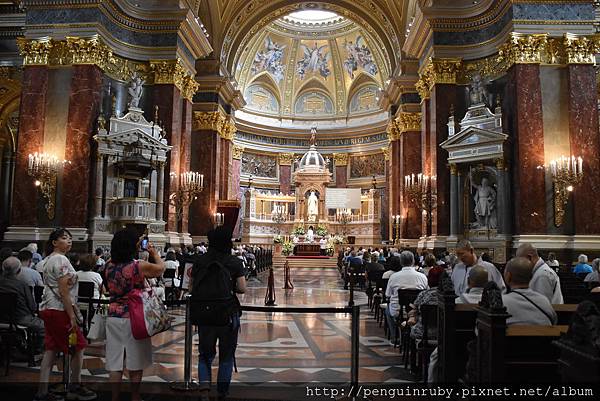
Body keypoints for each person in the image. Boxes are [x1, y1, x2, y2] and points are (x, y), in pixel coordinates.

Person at [35, 228, 96, 401]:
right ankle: (75, 385)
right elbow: (63, 290)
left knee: (51, 349)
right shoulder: (60, 259)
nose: (69, 241)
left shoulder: (48, 259)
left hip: (48, 307)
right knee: (79, 346)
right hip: (59, 309)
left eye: (70, 238)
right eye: (64, 238)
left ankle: (42, 392)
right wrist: (72, 316)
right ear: (55, 242)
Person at [104, 229, 165, 401]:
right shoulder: (138, 266)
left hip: (113, 315)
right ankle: (135, 396)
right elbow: (160, 269)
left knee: (114, 361)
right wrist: (154, 253)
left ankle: (114, 397)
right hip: (134, 316)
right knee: (135, 359)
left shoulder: (108, 265)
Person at [192, 226, 246, 401]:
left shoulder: (200, 261)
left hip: (205, 313)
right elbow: (242, 288)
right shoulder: (234, 262)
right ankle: (222, 392)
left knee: (204, 355)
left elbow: (192, 287)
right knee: (226, 356)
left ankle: (204, 391)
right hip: (227, 313)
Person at [0, 256, 45, 353]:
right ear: (19, 271)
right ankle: (36, 351)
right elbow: (32, 306)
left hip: (2, 318)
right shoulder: (21, 285)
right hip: (20, 318)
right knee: (44, 326)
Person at [502, 257, 557, 326]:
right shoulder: (544, 301)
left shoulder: (502, 302)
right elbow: (554, 321)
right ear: (531, 277)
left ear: (508, 276)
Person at [385, 251, 428, 335]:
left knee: (387, 310)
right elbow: (426, 293)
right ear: (413, 261)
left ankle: (394, 336)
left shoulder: (394, 277)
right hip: (417, 311)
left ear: (401, 262)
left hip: (399, 311)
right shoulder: (422, 277)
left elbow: (388, 294)